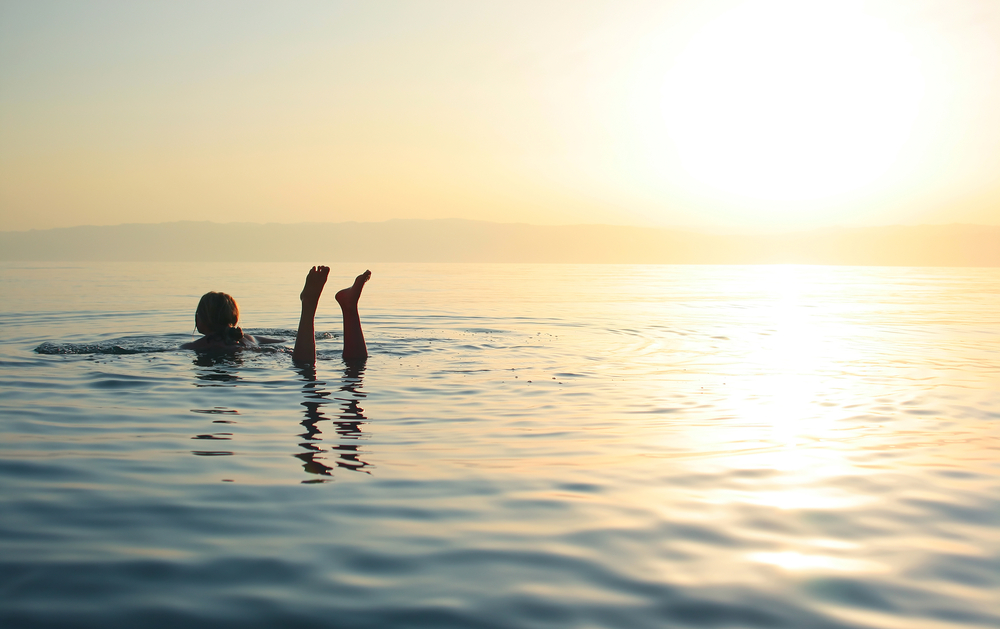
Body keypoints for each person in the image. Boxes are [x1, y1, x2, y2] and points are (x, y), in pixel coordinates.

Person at [181, 266, 371, 363]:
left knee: (304, 367)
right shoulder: (248, 338)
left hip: (264, 361)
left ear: (202, 320)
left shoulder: (194, 346)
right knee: (355, 364)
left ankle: (309, 305)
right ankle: (349, 308)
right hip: (274, 355)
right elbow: (283, 342)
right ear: (234, 318)